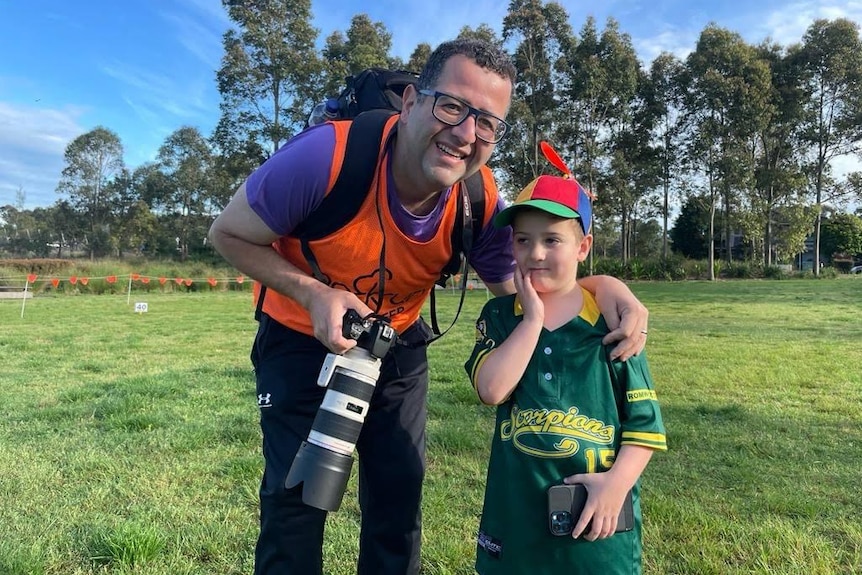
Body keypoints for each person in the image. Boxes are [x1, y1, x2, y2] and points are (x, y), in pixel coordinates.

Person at [209, 38, 649, 575]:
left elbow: (532, 285)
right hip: (299, 334)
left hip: (396, 341)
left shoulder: (478, 198)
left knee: (398, 498)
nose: (467, 133)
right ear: (412, 101)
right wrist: (313, 293)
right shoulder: (326, 156)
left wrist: (603, 285)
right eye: (453, 106)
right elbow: (228, 233)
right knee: (295, 502)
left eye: (488, 123)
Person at [464, 144, 667, 575]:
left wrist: (617, 486)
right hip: (515, 523)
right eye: (523, 240)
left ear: (583, 246)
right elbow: (492, 389)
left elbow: (644, 426)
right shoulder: (501, 316)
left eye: (552, 239)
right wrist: (533, 319)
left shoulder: (612, 323)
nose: (535, 253)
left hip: (598, 524)